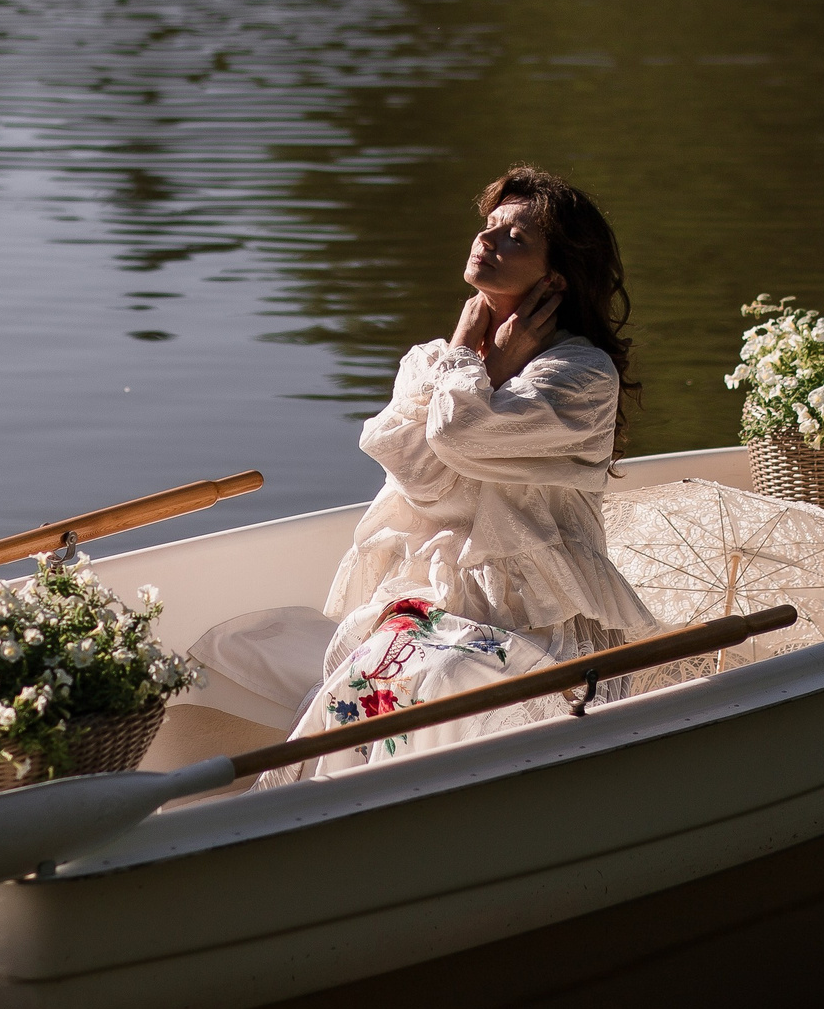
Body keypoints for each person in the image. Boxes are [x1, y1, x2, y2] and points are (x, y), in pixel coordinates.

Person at [273, 166, 659, 775]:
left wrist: (476, 365)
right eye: (489, 227)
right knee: (378, 670)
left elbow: (455, 435)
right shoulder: (429, 361)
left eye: (516, 238)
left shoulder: (581, 377)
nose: (488, 240)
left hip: (536, 616)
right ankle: (323, 814)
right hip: (435, 592)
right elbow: (421, 474)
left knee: (441, 672)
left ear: (556, 276)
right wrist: (473, 361)